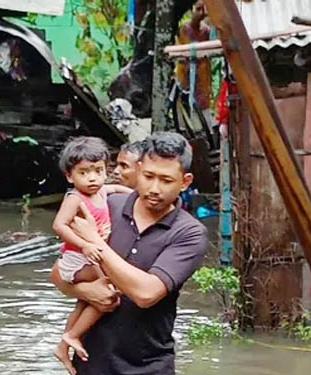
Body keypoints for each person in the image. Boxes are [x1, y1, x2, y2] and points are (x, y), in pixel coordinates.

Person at [51, 131, 208, 375]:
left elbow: (146, 293)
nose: (154, 188)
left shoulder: (188, 232)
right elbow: (60, 272)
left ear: (185, 182)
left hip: (148, 367)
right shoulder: (108, 206)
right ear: (138, 169)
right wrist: (84, 290)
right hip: (90, 362)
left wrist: (95, 240)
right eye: (148, 176)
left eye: (166, 180)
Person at [51, 136, 133, 374]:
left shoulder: (102, 191)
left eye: (98, 171)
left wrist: (135, 196)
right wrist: (85, 245)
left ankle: (63, 344)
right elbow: (59, 226)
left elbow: (117, 188)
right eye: (84, 173)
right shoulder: (75, 198)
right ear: (70, 176)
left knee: (85, 300)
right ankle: (72, 336)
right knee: (108, 290)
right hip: (76, 260)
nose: (93, 178)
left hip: (87, 257)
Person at [175, 0, 214, 134]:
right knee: (184, 107)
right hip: (185, 77)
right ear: (191, 10)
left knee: (203, 108)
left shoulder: (206, 31)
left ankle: (205, 136)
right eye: (198, 9)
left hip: (202, 79)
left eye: (204, 10)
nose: (202, 13)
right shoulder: (183, 30)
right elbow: (178, 53)